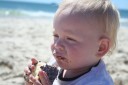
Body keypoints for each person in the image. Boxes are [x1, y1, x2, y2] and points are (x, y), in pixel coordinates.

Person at [24, 0, 120, 85]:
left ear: (101, 47)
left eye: (70, 39)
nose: (57, 45)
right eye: (56, 36)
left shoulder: (98, 82)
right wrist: (33, 79)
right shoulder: (56, 62)